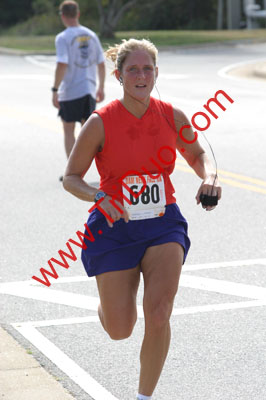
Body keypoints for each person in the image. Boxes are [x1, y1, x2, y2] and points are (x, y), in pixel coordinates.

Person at [63, 38, 222, 399]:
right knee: (121, 328)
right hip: (114, 226)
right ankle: (108, 304)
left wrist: (209, 177)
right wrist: (98, 196)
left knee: (160, 311)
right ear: (118, 76)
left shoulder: (171, 115)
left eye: (146, 68)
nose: (140, 75)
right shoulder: (99, 123)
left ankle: (143, 397)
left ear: (156, 73)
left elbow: (199, 155)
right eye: (132, 69)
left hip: (163, 221)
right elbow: (71, 177)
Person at [52, 0, 105, 174]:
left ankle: (73, 171)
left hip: (70, 91)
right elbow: (101, 63)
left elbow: (62, 64)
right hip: (89, 89)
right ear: (78, 14)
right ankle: (93, 168)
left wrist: (55, 89)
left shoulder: (63, 37)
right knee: (88, 132)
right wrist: (101, 87)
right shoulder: (91, 35)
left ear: (62, 16)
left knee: (69, 131)